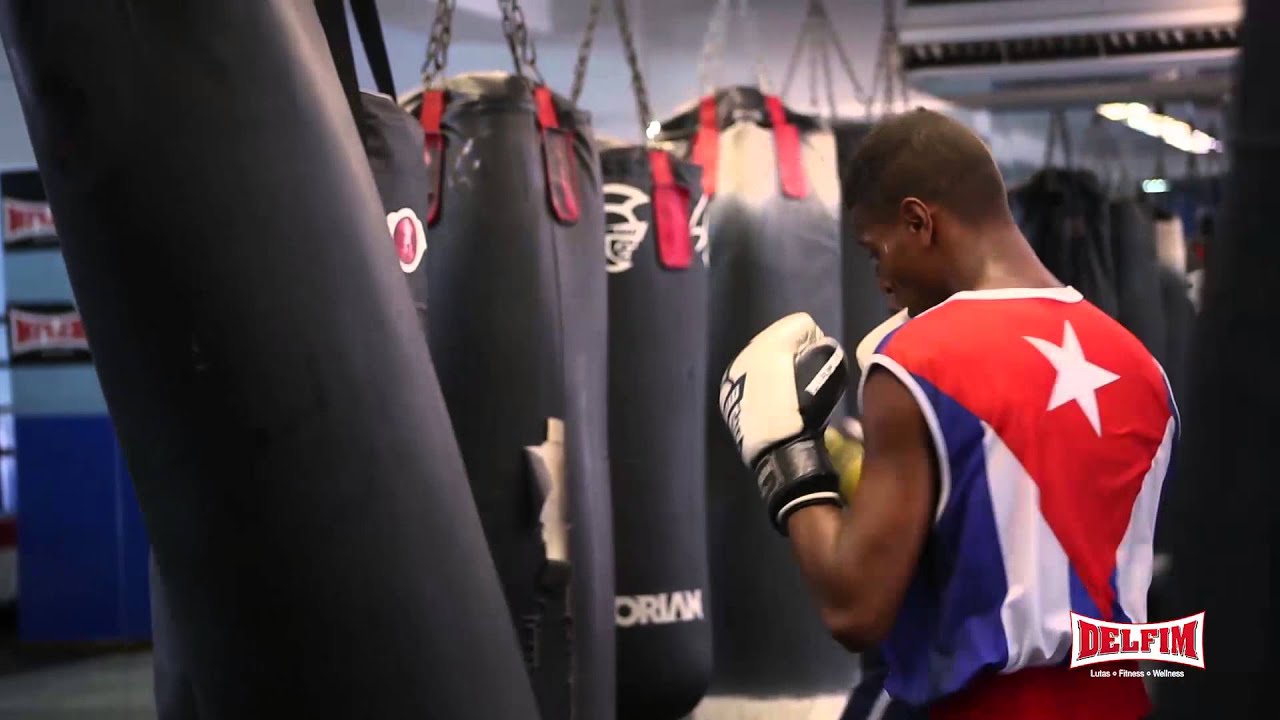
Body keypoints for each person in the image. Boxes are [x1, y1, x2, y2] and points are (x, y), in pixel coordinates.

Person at [719, 109, 1177, 719]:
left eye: (875, 250)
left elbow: (854, 610)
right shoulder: (1141, 365)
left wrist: (787, 460)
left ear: (918, 221)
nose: (880, 279)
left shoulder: (917, 361)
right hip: (1124, 696)